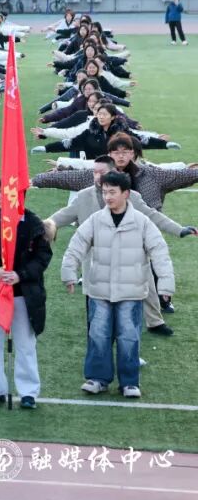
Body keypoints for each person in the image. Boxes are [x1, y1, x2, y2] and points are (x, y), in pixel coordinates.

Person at [42, 155, 195, 337]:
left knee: (145, 284)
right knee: (97, 310)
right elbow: (62, 216)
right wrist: (42, 226)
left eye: (102, 172)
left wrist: (179, 229)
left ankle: (155, 321)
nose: (97, 176)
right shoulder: (83, 196)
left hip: (130, 257)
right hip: (97, 262)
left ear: (113, 172)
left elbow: (153, 216)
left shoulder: (132, 197)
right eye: (95, 172)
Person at [60, 171, 175, 399]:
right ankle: (97, 379)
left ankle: (129, 382)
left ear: (126, 194)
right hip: (99, 291)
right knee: (98, 335)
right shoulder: (95, 220)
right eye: (105, 192)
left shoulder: (142, 222)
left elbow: (160, 253)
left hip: (131, 293)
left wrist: (165, 285)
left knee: (129, 337)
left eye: (112, 192)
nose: (107, 197)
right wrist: (68, 273)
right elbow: (76, 246)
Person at [0, 179, 52, 410]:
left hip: (24, 293)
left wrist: (20, 275)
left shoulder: (33, 224)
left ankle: (28, 392)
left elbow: (43, 257)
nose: (0, 197)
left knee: (25, 343)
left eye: (5, 193)